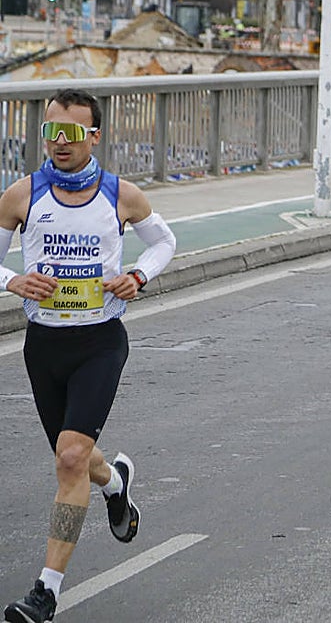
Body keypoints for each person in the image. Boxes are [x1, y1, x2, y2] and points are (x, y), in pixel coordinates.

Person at [3, 89, 177, 623]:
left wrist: (138, 275)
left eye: (72, 133)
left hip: (100, 342)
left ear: (94, 136)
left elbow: (164, 242)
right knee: (73, 459)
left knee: (71, 458)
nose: (60, 142)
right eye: (51, 132)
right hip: (43, 346)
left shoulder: (120, 195)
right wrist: (13, 281)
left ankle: (46, 591)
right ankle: (116, 483)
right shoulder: (21, 196)